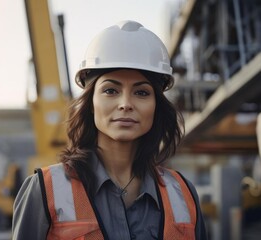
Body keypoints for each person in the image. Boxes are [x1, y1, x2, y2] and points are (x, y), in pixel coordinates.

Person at [12, 20, 207, 239]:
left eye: (141, 92)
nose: (125, 103)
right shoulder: (44, 191)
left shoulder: (183, 194)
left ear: (156, 106)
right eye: (111, 90)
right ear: (91, 104)